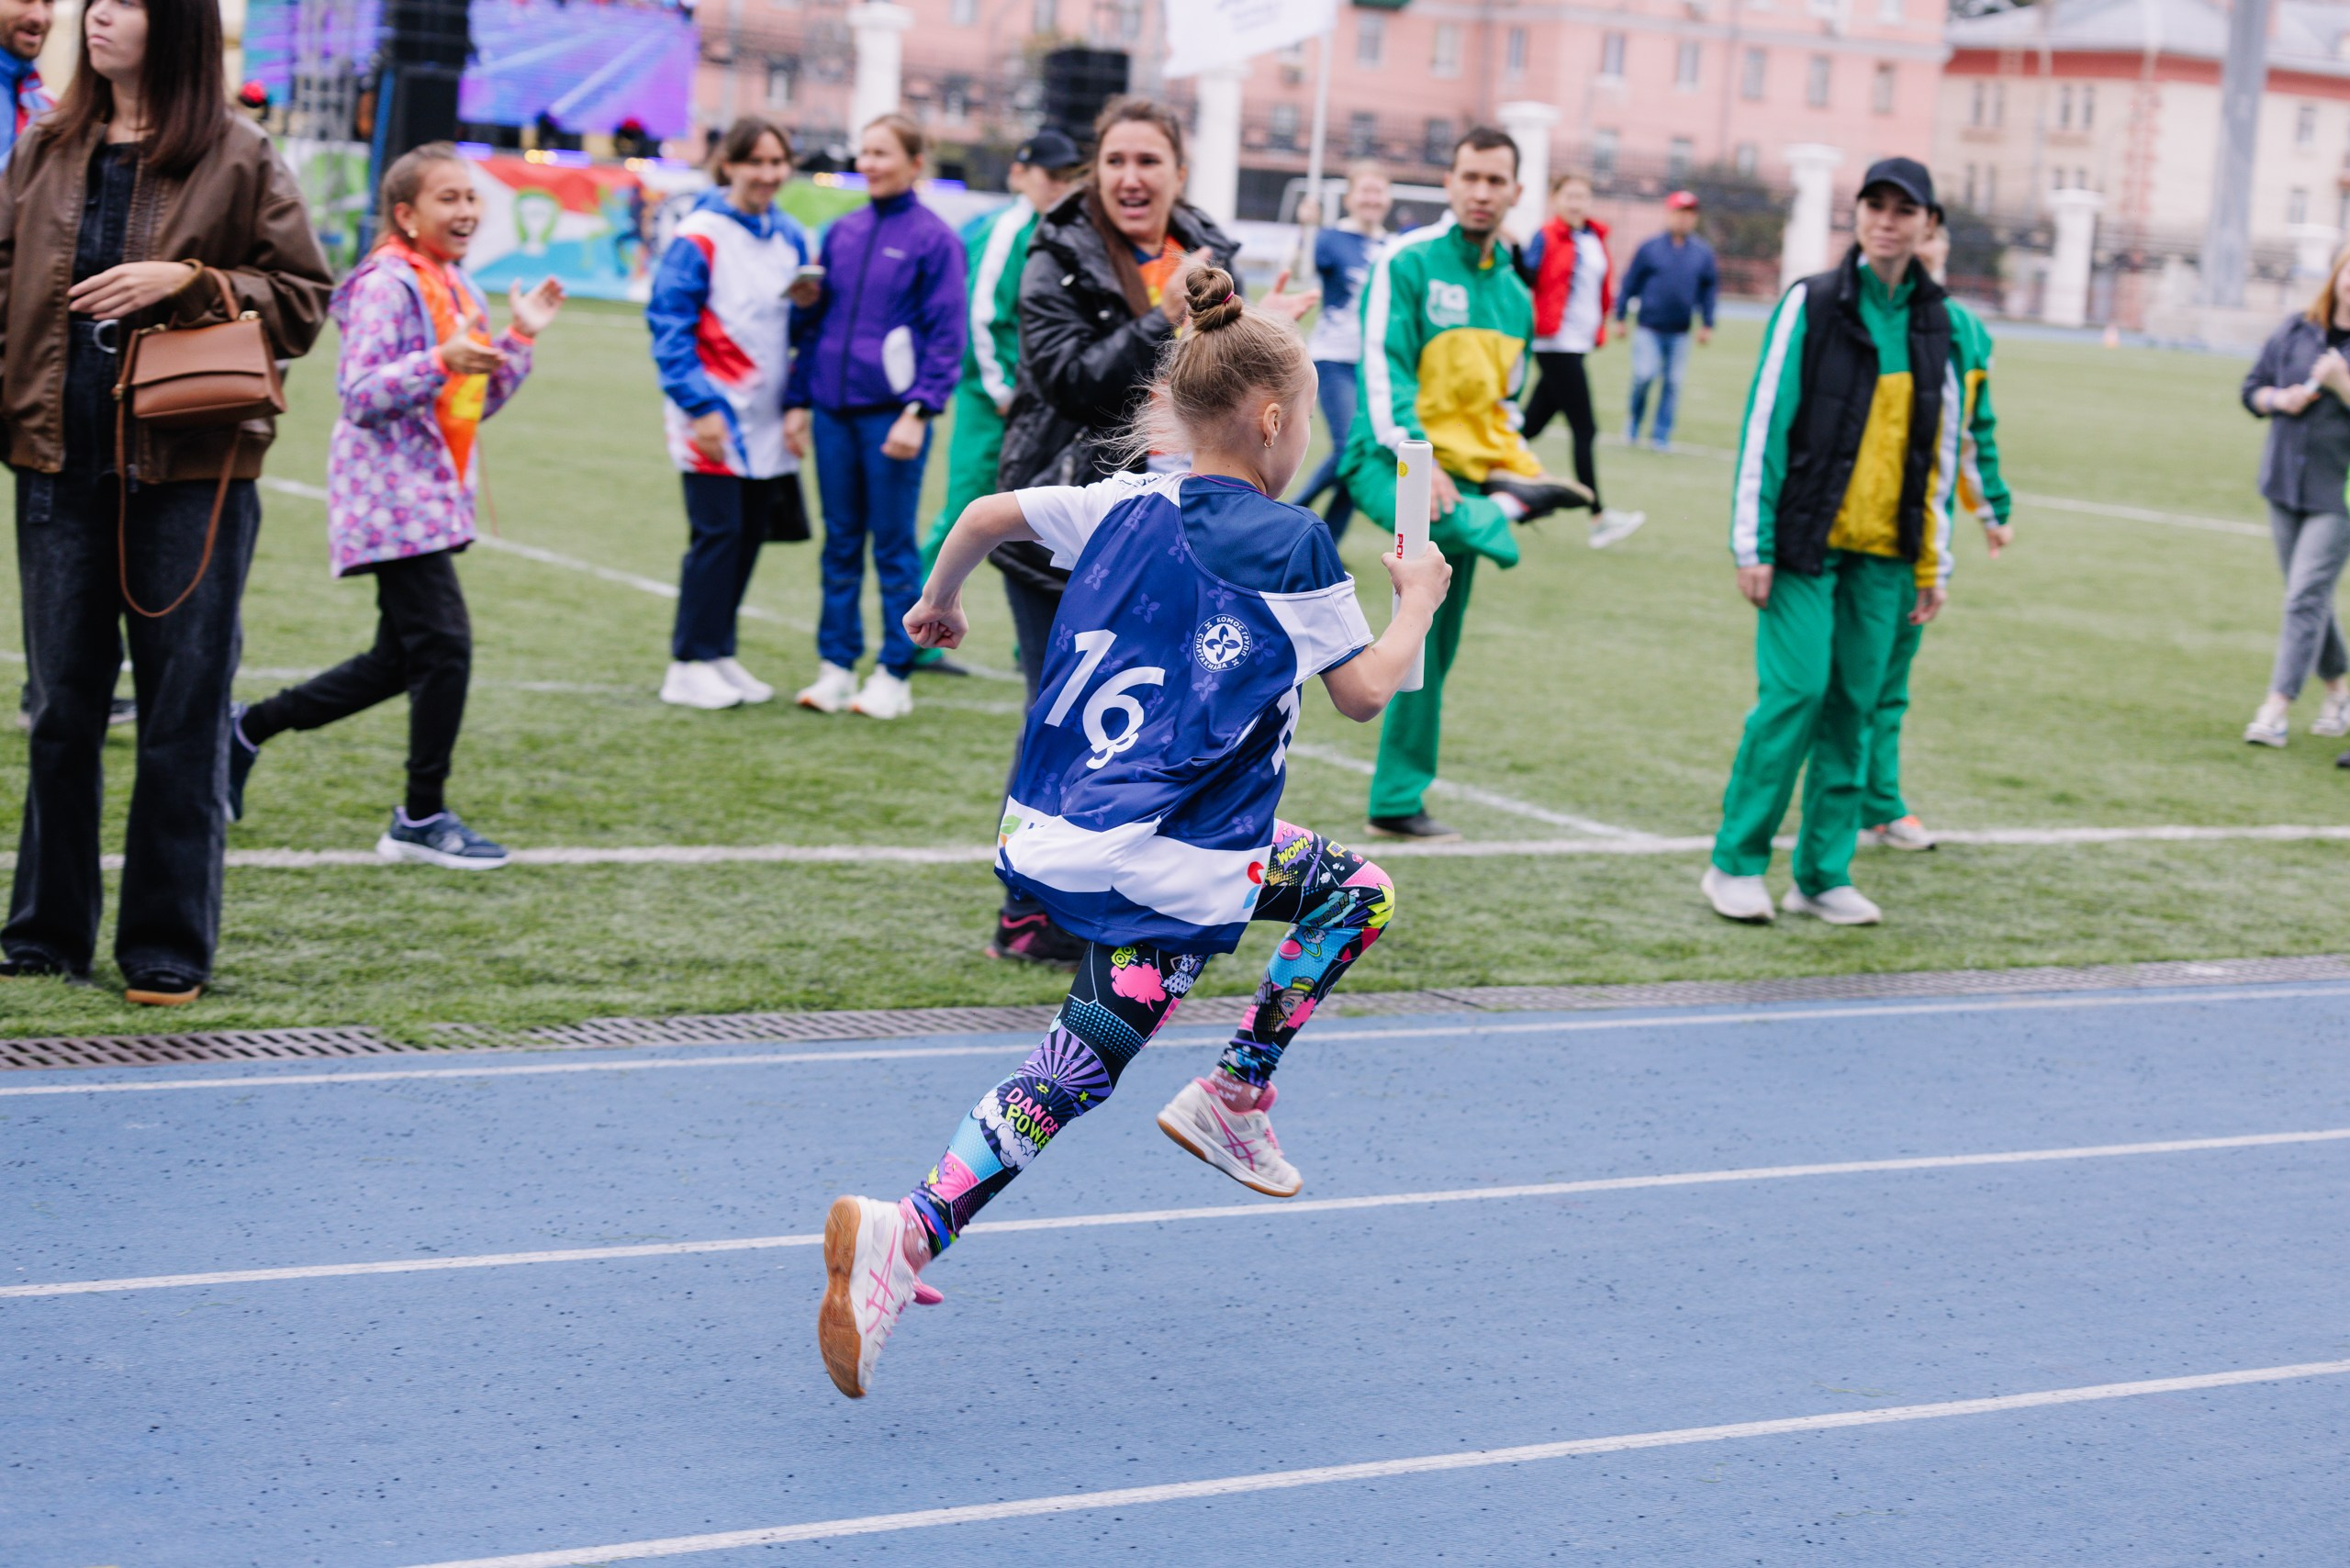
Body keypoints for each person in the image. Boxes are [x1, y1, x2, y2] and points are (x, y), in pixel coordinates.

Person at [814, 264, 1453, 1400]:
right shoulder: (1290, 541)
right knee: (1082, 1062)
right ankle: (917, 1226)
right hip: (1169, 857)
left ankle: (1216, 1102)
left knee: (1347, 885)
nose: (1304, 433)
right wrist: (1415, 599)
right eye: (1303, 413)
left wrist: (940, 601)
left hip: (1059, 827)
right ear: (1270, 420)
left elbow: (978, 514)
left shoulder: (1130, 496)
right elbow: (1364, 691)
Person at [0, 0, 332, 1002]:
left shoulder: (239, 153)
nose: (97, 16)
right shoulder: (48, 144)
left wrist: (185, 283)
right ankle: (45, 930)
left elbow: (304, 297)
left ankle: (166, 941)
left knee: (182, 712)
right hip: (57, 459)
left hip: (191, 469)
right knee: (62, 707)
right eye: (93, 1)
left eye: (127, 2)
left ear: (178, 26)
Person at [983, 95, 1312, 965]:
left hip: (1184, 537)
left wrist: (1265, 334)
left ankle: (1131, 898)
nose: (1132, 178)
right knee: (1059, 714)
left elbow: (1222, 389)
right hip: (1071, 521)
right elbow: (1066, 383)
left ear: (1178, 172)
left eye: (1149, 162)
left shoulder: (1214, 254)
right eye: (1116, 161)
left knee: (1167, 718)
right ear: (1096, 169)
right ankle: (1029, 907)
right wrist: (1159, 318)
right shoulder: (1052, 252)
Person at [227, 144, 564, 868]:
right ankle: (419, 815)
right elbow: (361, 396)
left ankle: (247, 728)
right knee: (444, 648)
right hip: (390, 497)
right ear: (406, 215)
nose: (467, 210)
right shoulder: (387, 282)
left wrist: (519, 336)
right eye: (449, 198)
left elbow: (477, 400)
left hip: (433, 493)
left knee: (397, 658)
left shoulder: (453, 284)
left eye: (471, 197)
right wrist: (440, 359)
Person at [1701, 158, 1996, 927]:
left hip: (1890, 555)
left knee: (1855, 707)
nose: (1888, 220)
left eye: (1905, 209)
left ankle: (1823, 874)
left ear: (1929, 225)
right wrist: (1750, 543)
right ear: (1858, 215)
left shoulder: (1947, 326)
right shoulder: (1814, 303)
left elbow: (1940, 451)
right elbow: (1765, 425)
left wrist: (1935, 561)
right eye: (1875, 205)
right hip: (1802, 545)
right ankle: (1734, 863)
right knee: (1796, 694)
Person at [1336, 125, 1590, 843]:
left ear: (1515, 192)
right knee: (1447, 525)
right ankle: (1506, 514)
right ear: (1449, 183)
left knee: (1429, 642)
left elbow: (1500, 411)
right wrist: (1423, 461)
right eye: (1469, 177)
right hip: (1391, 463)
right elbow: (1384, 372)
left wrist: (1520, 465)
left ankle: (1397, 798)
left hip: (1464, 482)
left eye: (1495, 181)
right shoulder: (1406, 260)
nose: (1481, 192)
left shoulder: (1514, 294)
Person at [783, 113, 966, 722]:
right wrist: (796, 401)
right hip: (833, 413)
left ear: (916, 162)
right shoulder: (840, 233)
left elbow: (946, 337)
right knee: (839, 544)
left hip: (892, 418)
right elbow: (812, 330)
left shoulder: (936, 239)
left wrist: (919, 410)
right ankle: (836, 667)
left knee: (891, 547)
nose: (869, 163)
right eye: (863, 152)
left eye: (882, 153)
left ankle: (895, 671)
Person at [645, 116, 814, 711]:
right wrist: (699, 406)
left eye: (777, 162)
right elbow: (669, 323)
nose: (768, 175)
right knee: (716, 535)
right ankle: (687, 662)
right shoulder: (700, 234)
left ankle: (717, 652)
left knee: (746, 536)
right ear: (729, 166)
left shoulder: (791, 235)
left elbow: (795, 327)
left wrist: (797, 404)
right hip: (711, 412)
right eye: (756, 163)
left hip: (766, 414)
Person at [1858, 214, 2010, 853]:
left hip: (1919, 535)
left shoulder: (1966, 333)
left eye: (1935, 234)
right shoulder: (1856, 313)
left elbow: (1976, 432)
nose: (1927, 245)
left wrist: (1991, 509)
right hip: (1856, 529)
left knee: (1891, 678)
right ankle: (1845, 800)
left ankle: (1880, 801)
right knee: (1850, 679)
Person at [912, 126, 1084, 619]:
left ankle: (1038, 636)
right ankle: (915, 627)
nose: (1058, 185)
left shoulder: (1059, 230)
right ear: (1019, 174)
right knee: (964, 511)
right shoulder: (1009, 229)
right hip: (994, 402)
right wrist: (1001, 389)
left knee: (1050, 518)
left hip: (1041, 402)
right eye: (1048, 175)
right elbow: (981, 315)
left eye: (1066, 176)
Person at [2238, 245, 2350, 751]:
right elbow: (2252, 389)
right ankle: (2339, 693)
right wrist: (2277, 400)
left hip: (2339, 493)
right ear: (2337, 274)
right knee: (2310, 598)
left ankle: (2276, 707)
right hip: (2283, 482)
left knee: (2304, 596)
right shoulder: (2295, 329)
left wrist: (2341, 384)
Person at [1516, 169, 1644, 549]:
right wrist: (1511, 249)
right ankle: (1599, 517)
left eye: (1582, 197)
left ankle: (1474, 475)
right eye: (1569, 196)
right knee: (1585, 430)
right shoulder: (1546, 236)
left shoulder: (1594, 237)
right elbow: (1526, 275)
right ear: (1556, 199)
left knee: (1529, 427)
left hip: (1577, 343)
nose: (1576, 203)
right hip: (1556, 344)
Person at [1289, 159, 1393, 540]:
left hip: (1376, 366)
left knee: (1362, 455)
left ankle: (1327, 540)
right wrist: (1306, 228)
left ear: (1388, 198)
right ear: (1350, 198)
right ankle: (1291, 512)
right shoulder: (1331, 238)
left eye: (1378, 191)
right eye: (1365, 190)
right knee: (1350, 447)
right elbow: (1300, 272)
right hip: (1334, 359)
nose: (1372, 198)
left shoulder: (1393, 247)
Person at [1616, 189, 1718, 451]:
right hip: (1649, 327)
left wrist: (1707, 323)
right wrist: (1620, 317)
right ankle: (1634, 423)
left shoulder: (1702, 253)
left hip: (1680, 331)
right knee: (1644, 376)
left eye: (1689, 214)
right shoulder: (1650, 248)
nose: (1684, 219)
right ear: (1669, 213)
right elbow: (1630, 283)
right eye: (1679, 213)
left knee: (1672, 384)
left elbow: (1708, 291)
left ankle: (1661, 435)